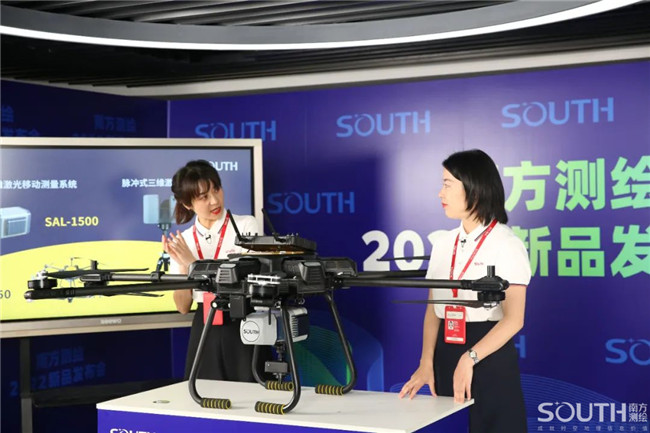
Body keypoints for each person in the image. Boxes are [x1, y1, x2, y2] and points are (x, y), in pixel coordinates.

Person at [398, 149, 531, 433]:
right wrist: (426, 362)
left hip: (488, 354)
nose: (440, 193)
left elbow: (514, 319)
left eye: (447, 184)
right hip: (447, 351)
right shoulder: (443, 244)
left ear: (474, 188)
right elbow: (433, 310)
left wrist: (470, 357)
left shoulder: (507, 244)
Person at [162, 159, 263, 381]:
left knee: (251, 392)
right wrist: (182, 263)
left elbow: (246, 282)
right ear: (187, 204)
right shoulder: (184, 241)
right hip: (205, 324)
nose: (215, 200)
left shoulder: (245, 225)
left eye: (216, 189)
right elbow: (182, 307)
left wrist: (193, 263)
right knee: (204, 394)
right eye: (204, 197)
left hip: (243, 320)